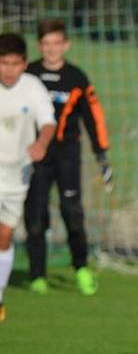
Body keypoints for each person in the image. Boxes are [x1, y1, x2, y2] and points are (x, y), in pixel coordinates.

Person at [25, 18, 112, 296]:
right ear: (40, 45)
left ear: (66, 45)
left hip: (67, 154)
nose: (51, 50)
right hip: (35, 154)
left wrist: (102, 155)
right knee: (35, 216)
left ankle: (81, 268)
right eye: (46, 44)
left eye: (57, 44)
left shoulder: (77, 78)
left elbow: (93, 117)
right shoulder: (29, 75)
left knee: (72, 211)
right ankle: (37, 275)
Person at [0, 32, 56, 322]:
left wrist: (41, 144)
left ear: (24, 64)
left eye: (14, 63)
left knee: (5, 235)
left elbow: (47, 122)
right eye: (3, 63)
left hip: (17, 173)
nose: (8, 70)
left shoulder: (33, 88)